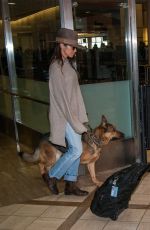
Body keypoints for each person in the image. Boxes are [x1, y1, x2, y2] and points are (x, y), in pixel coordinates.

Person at [48, 28, 89, 196]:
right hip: (65, 117)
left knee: (75, 149)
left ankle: (70, 185)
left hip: (73, 116)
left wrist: (80, 116)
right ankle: (52, 175)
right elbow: (62, 100)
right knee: (76, 150)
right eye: (72, 47)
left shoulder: (66, 64)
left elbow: (74, 94)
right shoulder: (56, 67)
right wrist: (74, 121)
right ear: (62, 46)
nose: (75, 50)